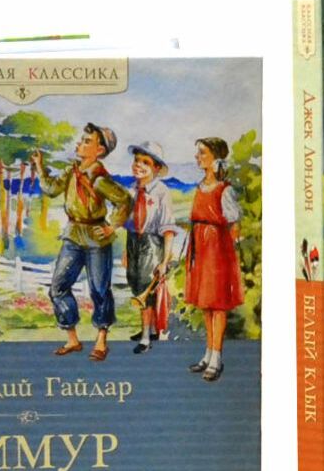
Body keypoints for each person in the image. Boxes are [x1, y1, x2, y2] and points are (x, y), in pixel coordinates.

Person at [31, 123, 131, 362]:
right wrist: (39, 166)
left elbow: (125, 201)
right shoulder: (71, 171)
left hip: (97, 239)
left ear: (99, 150)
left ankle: (101, 341)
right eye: (82, 139)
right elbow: (51, 189)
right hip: (73, 235)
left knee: (99, 290)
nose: (79, 143)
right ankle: (72, 339)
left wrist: (111, 227)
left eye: (87, 141)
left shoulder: (99, 178)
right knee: (58, 287)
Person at [184, 137, 242, 382]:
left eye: (202, 153)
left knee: (217, 304)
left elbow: (234, 225)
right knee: (205, 303)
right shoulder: (200, 187)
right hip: (200, 248)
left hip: (217, 250)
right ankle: (208, 353)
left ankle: (216, 357)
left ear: (215, 158)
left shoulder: (224, 189)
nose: (197, 157)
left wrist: (228, 253)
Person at [124, 141, 177, 354]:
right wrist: (126, 252)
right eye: (137, 160)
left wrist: (165, 260)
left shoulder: (161, 192)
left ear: (156, 168)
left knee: (146, 286)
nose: (139, 165)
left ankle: (146, 336)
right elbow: (129, 223)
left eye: (145, 162)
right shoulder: (131, 190)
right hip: (133, 241)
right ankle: (149, 328)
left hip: (152, 243)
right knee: (135, 282)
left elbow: (168, 229)